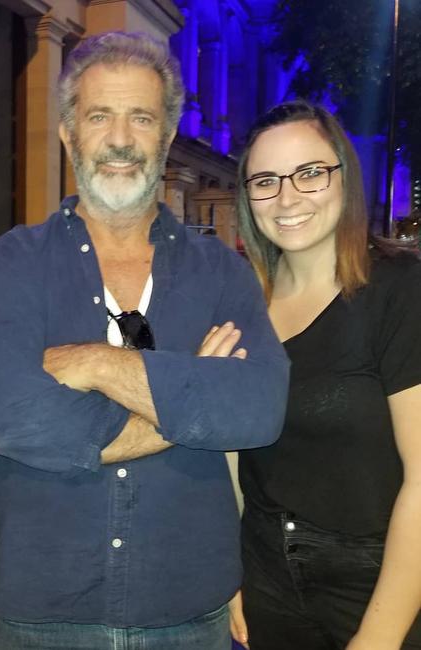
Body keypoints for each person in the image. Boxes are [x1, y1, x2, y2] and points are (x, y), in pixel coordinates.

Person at [0, 31, 289, 650]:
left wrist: (94, 364)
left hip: (186, 613)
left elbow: (256, 407)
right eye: (99, 116)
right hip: (40, 614)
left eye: (141, 118)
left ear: (165, 138)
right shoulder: (15, 263)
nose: (119, 140)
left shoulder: (219, 270)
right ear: (68, 134)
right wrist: (191, 395)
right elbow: (9, 418)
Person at [232, 100, 421, 649]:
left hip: (378, 582)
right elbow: (231, 463)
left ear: (344, 176)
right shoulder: (239, 305)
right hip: (265, 579)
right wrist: (229, 576)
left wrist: (379, 638)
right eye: (265, 180)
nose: (287, 197)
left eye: (310, 173)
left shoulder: (398, 291)